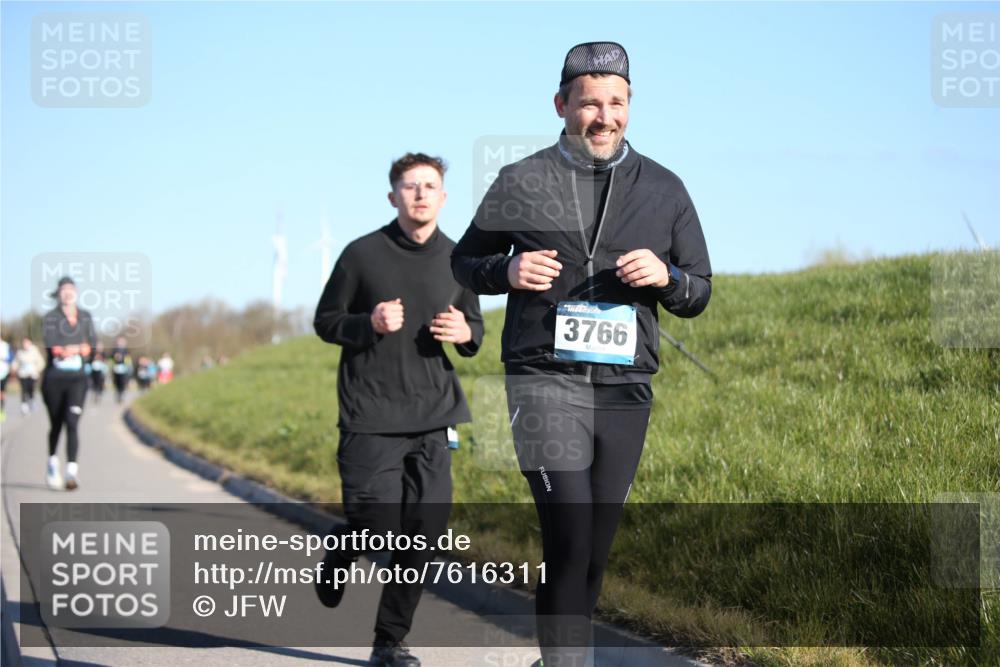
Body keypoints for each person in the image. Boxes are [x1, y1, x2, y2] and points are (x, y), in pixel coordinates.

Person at [452, 42, 712, 666]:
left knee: (593, 547)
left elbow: (699, 290)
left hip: (624, 391)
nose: (604, 116)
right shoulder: (522, 180)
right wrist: (508, 267)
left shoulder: (665, 189)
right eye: (590, 103)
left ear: (630, 107)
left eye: (616, 103)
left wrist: (667, 278)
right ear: (562, 104)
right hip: (543, 379)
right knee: (568, 532)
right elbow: (464, 261)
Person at [313, 152, 484, 667]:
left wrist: (465, 334)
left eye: (430, 185)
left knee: (424, 533)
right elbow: (325, 321)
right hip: (371, 416)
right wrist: (369, 322)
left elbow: (474, 330)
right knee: (375, 525)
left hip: (434, 416)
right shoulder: (360, 255)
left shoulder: (460, 259)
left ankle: (389, 642)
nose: (420, 194)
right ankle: (342, 553)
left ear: (444, 197)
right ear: (393, 196)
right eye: (410, 186)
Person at [41, 276, 97, 490]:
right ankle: (52, 461)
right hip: (54, 379)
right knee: (56, 424)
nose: (67, 293)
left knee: (72, 422)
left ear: (76, 292)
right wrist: (76, 348)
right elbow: (54, 347)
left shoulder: (85, 317)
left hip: (77, 379)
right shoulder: (50, 318)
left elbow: (91, 346)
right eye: (64, 290)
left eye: (71, 289)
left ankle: (71, 472)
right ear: (59, 294)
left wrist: (77, 349)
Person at [14, 337, 45, 414]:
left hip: (32, 374)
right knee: (24, 390)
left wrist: (37, 370)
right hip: (23, 374)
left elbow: (41, 362)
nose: (25, 344)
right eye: (24, 343)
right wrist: (14, 369)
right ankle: (24, 405)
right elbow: (16, 362)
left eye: (27, 342)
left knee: (31, 389)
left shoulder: (35, 351)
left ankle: (31, 401)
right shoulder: (20, 352)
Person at [110, 337, 131, 403]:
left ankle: (121, 393)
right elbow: (110, 359)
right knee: (116, 381)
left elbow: (128, 360)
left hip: (123, 368)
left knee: (123, 381)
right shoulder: (114, 350)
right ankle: (118, 393)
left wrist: (123, 359)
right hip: (116, 367)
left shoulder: (126, 350)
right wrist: (115, 358)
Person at [0, 337, 12, 421]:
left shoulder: (6, 346)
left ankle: (2, 410)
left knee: (2, 392)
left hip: (3, 372)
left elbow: (11, 358)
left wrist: (4, 358)